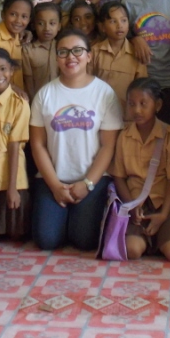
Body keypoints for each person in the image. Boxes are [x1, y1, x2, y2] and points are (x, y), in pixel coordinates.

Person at [29, 29, 123, 251]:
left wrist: (87, 183)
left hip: (92, 180)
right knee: (46, 240)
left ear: (89, 56)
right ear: (56, 57)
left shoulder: (104, 93)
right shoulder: (45, 94)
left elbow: (108, 145)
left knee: (85, 241)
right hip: (53, 178)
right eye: (63, 52)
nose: (71, 57)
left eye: (77, 51)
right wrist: (54, 185)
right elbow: (38, 144)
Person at [110, 78, 170, 261]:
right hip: (136, 203)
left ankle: (160, 236)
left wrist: (164, 214)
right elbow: (119, 177)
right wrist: (131, 205)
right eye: (132, 104)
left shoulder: (168, 134)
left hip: (164, 203)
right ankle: (147, 239)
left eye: (143, 104)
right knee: (133, 250)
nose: (137, 110)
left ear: (157, 105)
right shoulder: (124, 137)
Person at [0, 48, 31, 240]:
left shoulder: (20, 103)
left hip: (12, 171)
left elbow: (14, 145)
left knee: (15, 234)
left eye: (3, 69)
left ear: (11, 71)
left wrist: (12, 188)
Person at [92, 1, 148, 109]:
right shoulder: (94, 52)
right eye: (113, 21)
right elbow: (86, 82)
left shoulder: (136, 54)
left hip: (127, 114)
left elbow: (142, 88)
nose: (119, 25)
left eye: (123, 20)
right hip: (98, 111)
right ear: (102, 27)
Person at [22, 1, 61, 101]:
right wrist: (33, 102)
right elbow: (28, 81)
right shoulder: (28, 51)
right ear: (34, 25)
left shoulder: (62, 47)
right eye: (40, 23)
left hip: (61, 99)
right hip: (39, 100)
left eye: (52, 23)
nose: (47, 28)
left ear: (59, 26)